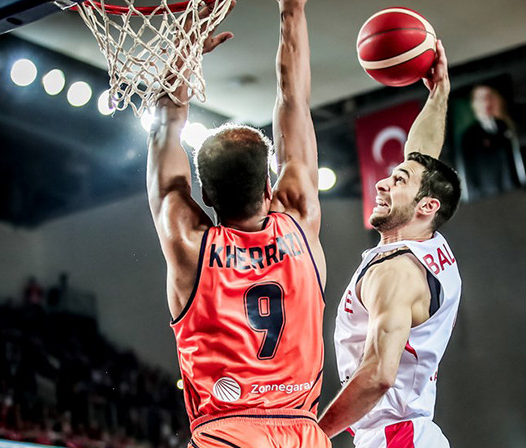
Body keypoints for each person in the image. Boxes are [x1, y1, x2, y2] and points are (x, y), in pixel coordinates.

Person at [145, 0, 330, 447]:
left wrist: (183, 54)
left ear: (205, 196)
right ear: (269, 187)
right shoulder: (300, 222)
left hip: (226, 435)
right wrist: (292, 12)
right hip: (303, 432)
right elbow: (294, 100)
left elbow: (164, 129)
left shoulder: (188, 242)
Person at [318, 40, 463, 448]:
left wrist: (312, 435)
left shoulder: (398, 271)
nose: (381, 182)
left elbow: (379, 374)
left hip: (395, 436)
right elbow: (422, 155)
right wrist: (438, 95)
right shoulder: (427, 239)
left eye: (398, 180)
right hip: (403, 433)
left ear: (426, 205)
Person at [459, 84, 526, 200]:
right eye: (481, 98)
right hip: (488, 195)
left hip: (513, 188)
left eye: (489, 97)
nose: (486, 102)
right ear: (473, 103)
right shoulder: (469, 135)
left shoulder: (504, 125)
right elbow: (469, 173)